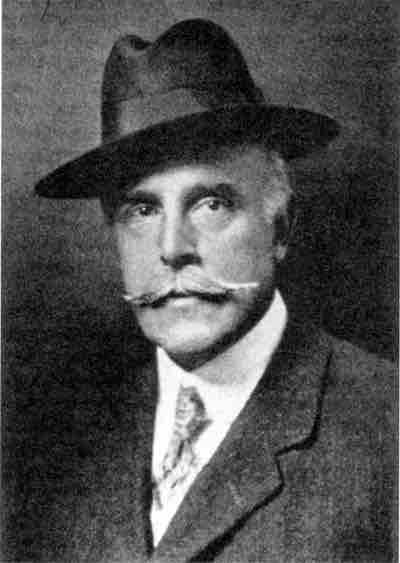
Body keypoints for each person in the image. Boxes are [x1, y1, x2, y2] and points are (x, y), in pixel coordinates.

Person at [5, 18, 394, 563]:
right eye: (142, 210)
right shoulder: (57, 447)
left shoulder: (385, 425)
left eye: (211, 204)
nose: (171, 249)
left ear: (280, 228)